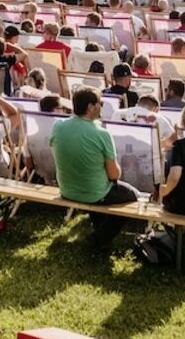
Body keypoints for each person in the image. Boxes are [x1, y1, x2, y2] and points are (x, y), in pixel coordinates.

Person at [51, 88, 136, 248]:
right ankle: (99, 238)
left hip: (67, 189)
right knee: (132, 197)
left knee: (100, 189)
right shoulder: (101, 134)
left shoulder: (58, 126)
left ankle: (99, 232)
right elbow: (114, 175)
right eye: (100, 103)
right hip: (93, 192)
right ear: (90, 107)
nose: (102, 107)